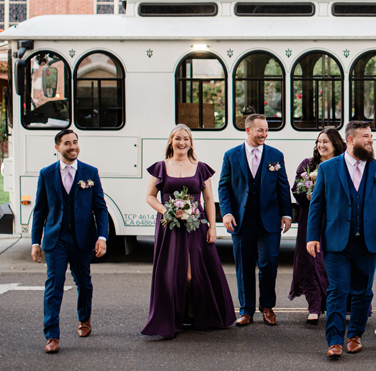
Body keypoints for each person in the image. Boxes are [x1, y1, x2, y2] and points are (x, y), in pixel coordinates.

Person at [306, 121, 376, 359]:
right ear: (351, 140)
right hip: (336, 242)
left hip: (368, 242)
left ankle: (355, 335)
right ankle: (334, 341)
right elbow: (317, 204)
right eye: (366, 137)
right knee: (337, 291)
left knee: (363, 292)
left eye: (371, 136)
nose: (371, 140)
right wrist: (312, 236)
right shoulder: (328, 168)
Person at [141, 124, 236, 338]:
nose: (182, 142)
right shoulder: (160, 167)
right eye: (178, 138)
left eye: (186, 139)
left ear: (191, 143)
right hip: (170, 227)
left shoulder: (201, 168)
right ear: (171, 142)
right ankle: (173, 317)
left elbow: (209, 199)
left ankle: (196, 313)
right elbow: (150, 196)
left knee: (194, 274)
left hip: (196, 226)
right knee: (174, 273)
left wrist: (212, 226)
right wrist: (167, 211)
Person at [30, 129, 109, 354]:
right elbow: (40, 210)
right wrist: (35, 242)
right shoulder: (46, 174)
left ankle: (84, 319)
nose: (73, 146)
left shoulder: (90, 172)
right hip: (56, 238)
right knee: (54, 285)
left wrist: (102, 237)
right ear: (58, 148)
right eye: (67, 143)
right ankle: (52, 335)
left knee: (84, 283)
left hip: (82, 238)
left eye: (75, 142)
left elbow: (100, 208)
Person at [218, 114, 293, 327]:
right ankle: (246, 310)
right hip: (241, 221)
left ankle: (267, 307)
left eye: (266, 130)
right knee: (244, 266)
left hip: (269, 220)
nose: (264, 134)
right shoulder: (231, 155)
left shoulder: (275, 155)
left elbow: (283, 185)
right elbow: (224, 186)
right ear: (248, 130)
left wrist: (287, 214)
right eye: (260, 130)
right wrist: (226, 212)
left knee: (269, 263)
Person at [290, 128, 346, 325]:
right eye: (319, 141)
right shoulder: (307, 165)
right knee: (310, 262)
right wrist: (305, 194)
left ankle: (338, 305)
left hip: (335, 219)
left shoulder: (343, 164)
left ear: (335, 144)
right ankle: (314, 307)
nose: (321, 145)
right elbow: (296, 188)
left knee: (334, 262)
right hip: (311, 218)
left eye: (325, 142)